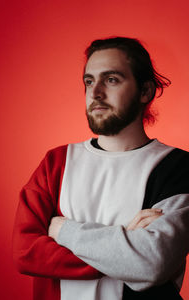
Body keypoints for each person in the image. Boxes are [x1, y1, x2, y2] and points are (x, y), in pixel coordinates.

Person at [12, 37, 189, 300]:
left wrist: (63, 231)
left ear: (145, 91)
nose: (95, 93)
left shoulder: (178, 167)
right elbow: (26, 253)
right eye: (89, 81)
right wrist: (126, 252)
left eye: (112, 79)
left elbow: (153, 262)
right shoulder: (56, 162)